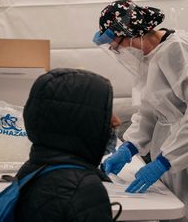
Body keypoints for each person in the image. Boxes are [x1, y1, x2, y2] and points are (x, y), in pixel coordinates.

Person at [93, 0, 188, 222]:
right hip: (174, 148)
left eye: (118, 45)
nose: (120, 51)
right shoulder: (149, 58)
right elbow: (150, 111)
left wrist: (166, 160)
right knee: (177, 210)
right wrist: (130, 146)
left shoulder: (180, 49)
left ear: (130, 30)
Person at [14, 68, 119, 222]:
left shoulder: (31, 170)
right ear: (82, 122)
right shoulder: (84, 189)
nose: (116, 121)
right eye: (105, 114)